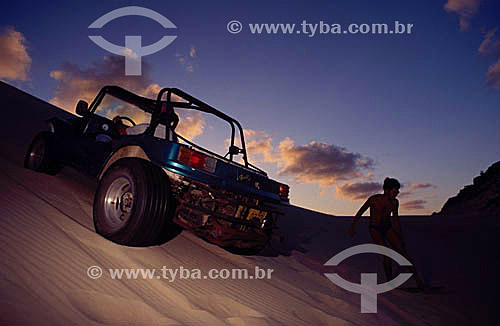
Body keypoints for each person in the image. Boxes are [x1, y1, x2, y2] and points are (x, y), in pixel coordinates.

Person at [348, 177, 426, 290]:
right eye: (395, 191)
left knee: (403, 253)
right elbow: (361, 211)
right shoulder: (374, 199)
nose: (397, 194)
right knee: (387, 254)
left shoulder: (394, 202)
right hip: (375, 229)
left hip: (387, 227)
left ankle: (420, 283)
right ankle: (390, 284)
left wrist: (400, 236)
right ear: (387, 190)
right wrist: (352, 226)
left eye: (397, 191)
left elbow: (395, 219)